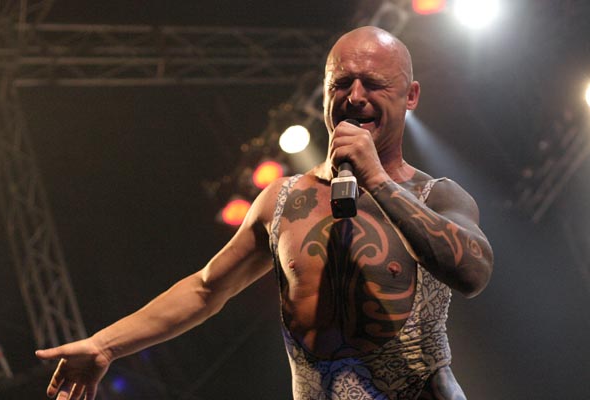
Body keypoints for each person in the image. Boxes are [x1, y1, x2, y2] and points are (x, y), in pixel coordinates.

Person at [36, 26, 493, 400]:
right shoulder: (283, 200)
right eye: (341, 83)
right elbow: (205, 289)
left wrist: (376, 180)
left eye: (374, 84)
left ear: (410, 96)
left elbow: (473, 273)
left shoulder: (436, 196)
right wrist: (105, 346)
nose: (355, 97)